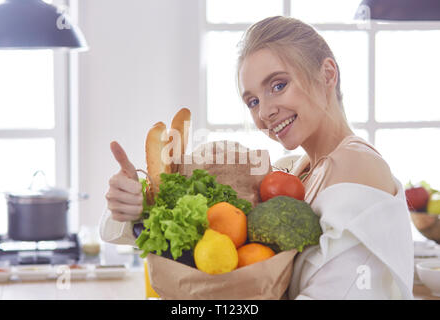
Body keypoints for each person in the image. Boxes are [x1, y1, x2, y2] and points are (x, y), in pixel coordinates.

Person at [100, 16, 414, 300]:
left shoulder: (356, 165)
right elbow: (118, 232)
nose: (264, 112)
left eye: (278, 85)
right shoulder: (295, 171)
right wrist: (137, 202)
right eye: (252, 101)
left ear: (327, 74)